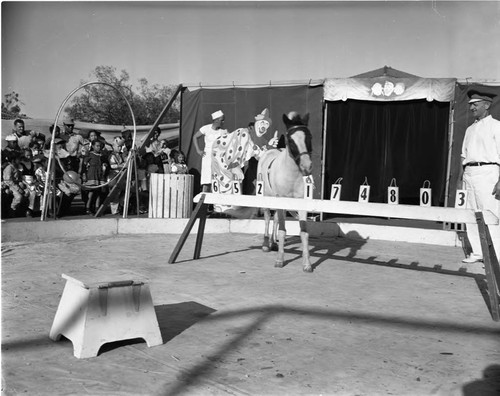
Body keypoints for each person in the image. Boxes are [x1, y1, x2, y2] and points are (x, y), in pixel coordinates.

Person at [460, 90, 500, 263]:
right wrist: (460, 178)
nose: (472, 108)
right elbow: (463, 156)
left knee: (490, 215)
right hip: (470, 174)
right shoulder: (469, 129)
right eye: (470, 105)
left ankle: (496, 256)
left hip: (488, 173)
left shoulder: (496, 126)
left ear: (487, 105)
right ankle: (478, 252)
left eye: (475, 104)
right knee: (471, 214)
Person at [193, 110, 227, 191]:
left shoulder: (223, 131)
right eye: (222, 120)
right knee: (207, 178)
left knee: (217, 178)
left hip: (218, 157)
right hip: (207, 156)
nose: (223, 122)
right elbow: (195, 137)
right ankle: (204, 200)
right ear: (216, 120)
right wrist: (198, 150)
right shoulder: (206, 128)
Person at [81, 139, 109, 215]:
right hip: (92, 174)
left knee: (99, 192)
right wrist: (84, 175)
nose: (98, 147)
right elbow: (83, 165)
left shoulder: (101, 155)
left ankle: (97, 208)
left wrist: (104, 165)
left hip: (99, 174)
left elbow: (104, 163)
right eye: (97, 146)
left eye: (100, 146)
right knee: (92, 192)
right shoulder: (89, 155)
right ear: (93, 146)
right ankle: (87, 208)